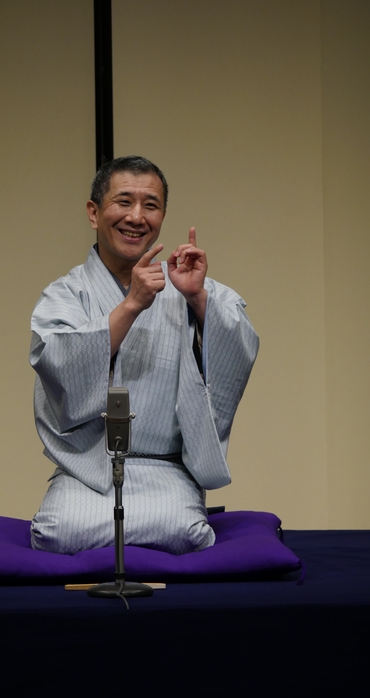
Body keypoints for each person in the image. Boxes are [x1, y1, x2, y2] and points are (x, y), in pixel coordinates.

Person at [29, 156, 258, 555]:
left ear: (162, 216)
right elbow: (59, 365)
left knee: (184, 532)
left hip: (165, 469)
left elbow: (239, 349)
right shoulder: (66, 294)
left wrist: (198, 298)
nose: (136, 217)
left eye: (150, 205)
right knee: (58, 533)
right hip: (86, 472)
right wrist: (131, 305)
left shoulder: (186, 284)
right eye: (124, 202)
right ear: (93, 212)